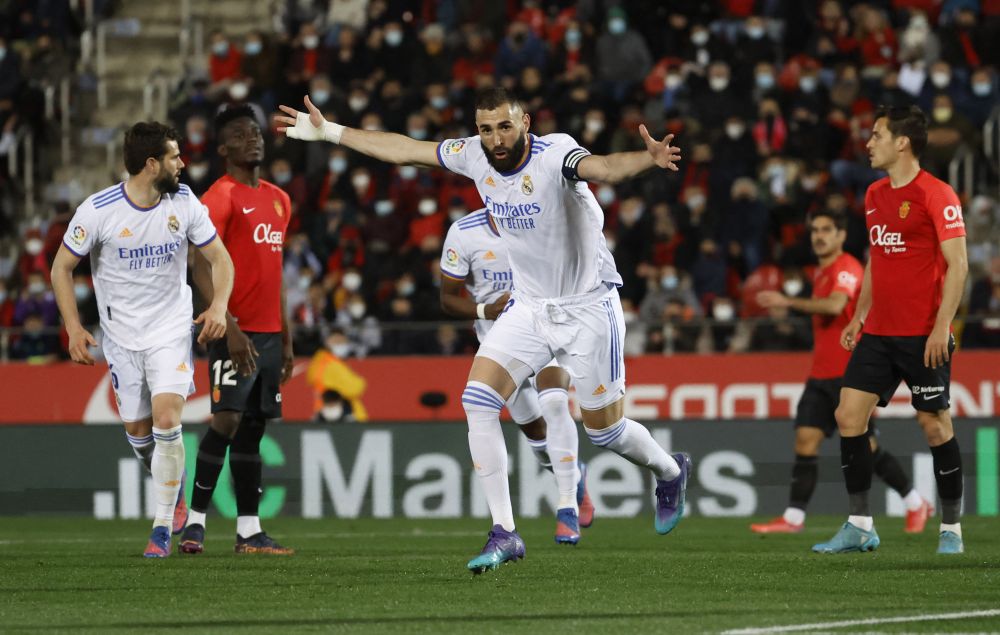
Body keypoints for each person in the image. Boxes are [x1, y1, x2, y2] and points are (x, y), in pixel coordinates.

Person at [277, 87, 691, 574]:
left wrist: (648, 159)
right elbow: (404, 149)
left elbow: (601, 167)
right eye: (486, 128)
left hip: (588, 307)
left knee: (606, 433)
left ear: (526, 123)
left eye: (504, 126)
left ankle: (668, 471)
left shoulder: (554, 153)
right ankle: (506, 531)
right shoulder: (473, 156)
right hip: (531, 307)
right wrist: (331, 132)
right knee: (477, 399)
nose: (495, 138)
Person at [50, 121, 234, 557]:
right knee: (138, 429)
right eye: (174, 157)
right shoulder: (99, 211)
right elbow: (61, 268)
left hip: (171, 327)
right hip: (120, 336)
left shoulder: (185, 202)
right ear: (152, 164)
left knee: (167, 418)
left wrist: (220, 306)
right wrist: (74, 327)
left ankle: (161, 527)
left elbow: (220, 259)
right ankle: (175, 496)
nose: (182, 163)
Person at [813, 105, 968, 555]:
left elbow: (958, 265)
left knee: (935, 427)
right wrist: (860, 315)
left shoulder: (937, 194)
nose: (868, 143)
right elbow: (877, 261)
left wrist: (943, 326)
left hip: (924, 334)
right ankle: (860, 524)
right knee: (848, 416)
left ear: (902, 142)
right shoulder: (875, 194)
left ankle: (952, 530)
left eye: (877, 135)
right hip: (879, 332)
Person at [751, 208, 932, 535]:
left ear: (841, 236)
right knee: (806, 439)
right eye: (815, 230)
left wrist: (789, 303)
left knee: (868, 449)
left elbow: (836, 305)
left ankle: (915, 501)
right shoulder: (819, 273)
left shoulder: (846, 268)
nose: (819, 236)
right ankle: (793, 519)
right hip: (820, 374)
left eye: (826, 230)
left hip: (850, 375)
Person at [440, 208, 595, 545]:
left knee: (555, 402)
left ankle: (567, 507)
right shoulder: (465, 232)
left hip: (549, 328)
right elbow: (448, 298)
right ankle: (573, 474)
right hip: (501, 344)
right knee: (537, 437)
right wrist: (486, 310)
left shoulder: (543, 218)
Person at [180, 104, 294, 556]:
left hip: (269, 333)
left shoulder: (279, 199)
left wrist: (286, 338)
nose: (254, 139)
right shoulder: (219, 196)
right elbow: (199, 266)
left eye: (257, 132)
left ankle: (249, 532)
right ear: (224, 147)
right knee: (225, 420)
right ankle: (194, 523)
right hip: (235, 330)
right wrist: (226, 323)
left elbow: (277, 271)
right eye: (242, 134)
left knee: (253, 429)